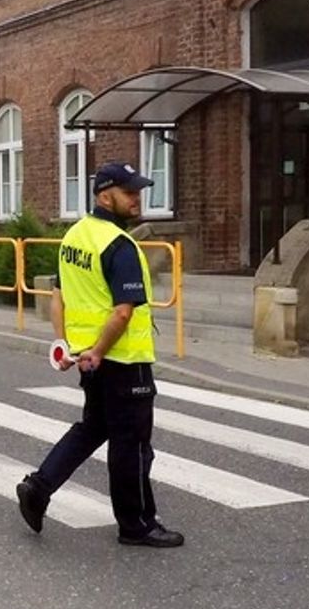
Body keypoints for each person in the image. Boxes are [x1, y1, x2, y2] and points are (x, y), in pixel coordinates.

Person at [15, 162, 184, 548]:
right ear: (105, 195)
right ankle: (136, 525)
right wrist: (99, 350)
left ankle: (38, 488)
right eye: (129, 192)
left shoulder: (74, 237)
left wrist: (66, 346)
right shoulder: (118, 245)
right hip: (124, 362)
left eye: (138, 191)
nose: (137, 198)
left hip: (91, 361)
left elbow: (57, 297)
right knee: (132, 444)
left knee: (94, 427)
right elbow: (123, 311)